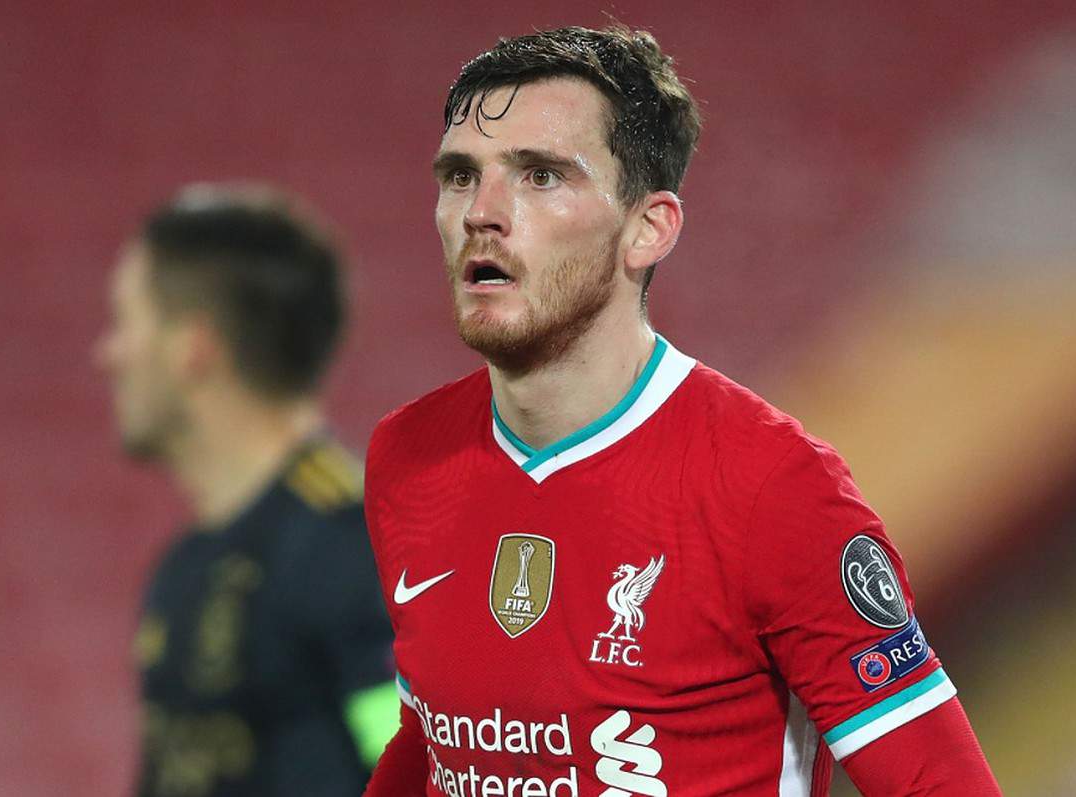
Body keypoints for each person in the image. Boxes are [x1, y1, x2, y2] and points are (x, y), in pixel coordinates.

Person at [362, 26, 1001, 796]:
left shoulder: (776, 489)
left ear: (647, 230)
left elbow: (940, 783)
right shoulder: (407, 456)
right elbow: (431, 742)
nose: (481, 213)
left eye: (540, 176)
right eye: (461, 175)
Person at [96, 183, 396, 796]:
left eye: (126, 322)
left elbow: (425, 769)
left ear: (193, 348)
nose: (108, 354)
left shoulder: (356, 553)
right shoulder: (185, 567)